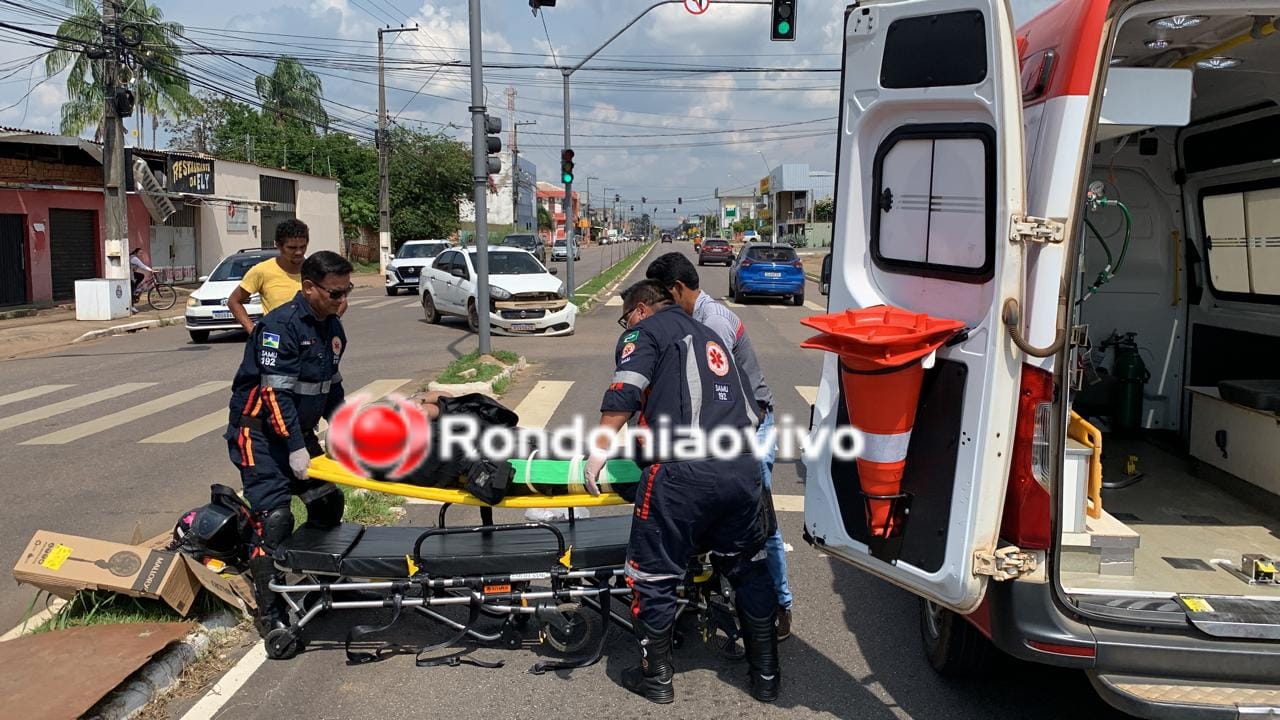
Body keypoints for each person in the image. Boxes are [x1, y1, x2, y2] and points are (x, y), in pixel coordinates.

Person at [584, 280, 780, 704]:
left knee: (652, 573)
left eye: (625, 318)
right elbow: (754, 407)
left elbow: (625, 391)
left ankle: (655, 677)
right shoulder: (712, 335)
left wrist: (597, 452)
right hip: (742, 469)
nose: (626, 326)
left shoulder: (645, 332)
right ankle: (766, 675)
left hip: (681, 474)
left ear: (639, 309)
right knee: (749, 567)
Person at [646, 251, 793, 639]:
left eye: (662, 296)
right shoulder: (695, 318)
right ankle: (711, 588)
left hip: (751, 427)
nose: (660, 307)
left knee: (761, 521)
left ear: (677, 289)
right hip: (727, 429)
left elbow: (720, 393)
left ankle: (779, 606)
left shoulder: (711, 323)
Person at [224, 250, 354, 636]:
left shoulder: (331, 327)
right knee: (276, 519)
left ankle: (316, 582)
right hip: (260, 437)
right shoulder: (280, 327)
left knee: (327, 502)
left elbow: (331, 387)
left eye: (347, 292)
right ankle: (272, 609)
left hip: (296, 434)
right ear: (309, 287)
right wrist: (298, 447)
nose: (342, 301)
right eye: (335, 293)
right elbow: (274, 397)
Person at [228, 219, 310, 334]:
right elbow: (234, 301)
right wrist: (253, 331)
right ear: (278, 245)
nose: (298, 252)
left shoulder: (315, 269)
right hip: (276, 342)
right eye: (292, 248)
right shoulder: (262, 271)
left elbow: (339, 298)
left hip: (311, 343)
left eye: (303, 247)